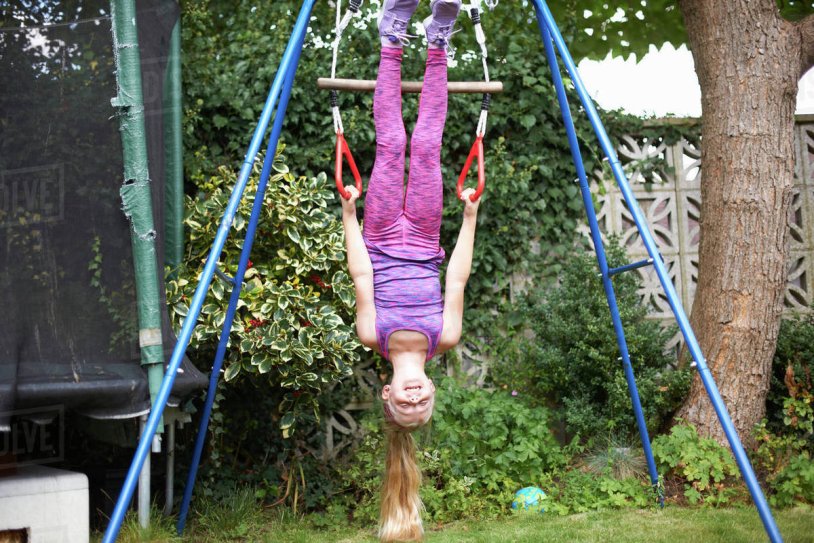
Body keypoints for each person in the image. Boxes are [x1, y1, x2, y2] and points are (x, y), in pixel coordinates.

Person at [339, 0, 479, 540]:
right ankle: (439, 43)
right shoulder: (445, 336)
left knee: (393, 142)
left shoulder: (372, 333)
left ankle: (392, 39)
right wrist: (467, 219)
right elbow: (458, 279)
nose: (415, 398)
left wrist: (349, 214)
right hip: (422, 234)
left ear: (388, 395)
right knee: (425, 147)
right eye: (422, 404)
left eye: (406, 404)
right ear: (432, 393)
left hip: (377, 233)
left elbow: (360, 277)